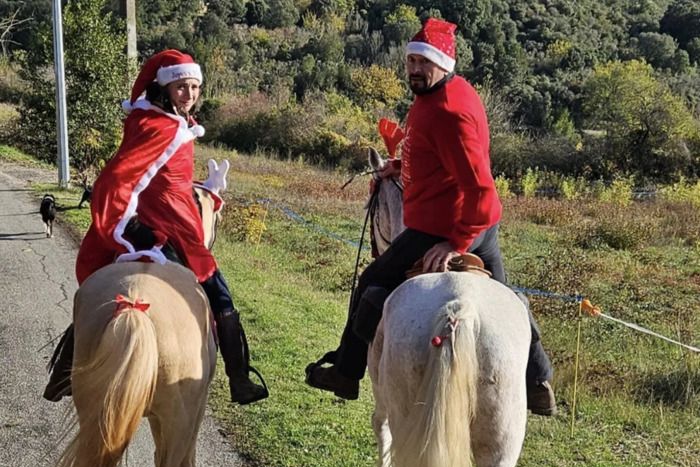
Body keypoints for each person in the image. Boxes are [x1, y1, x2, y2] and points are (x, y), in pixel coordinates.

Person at [305, 18, 556, 416]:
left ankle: (346, 372)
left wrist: (454, 242)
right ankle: (538, 380)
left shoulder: (450, 112)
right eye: (411, 61)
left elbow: (481, 190)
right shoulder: (442, 94)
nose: (415, 69)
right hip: (471, 225)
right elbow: (436, 156)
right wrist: (399, 166)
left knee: (372, 279)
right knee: (506, 298)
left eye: (424, 62)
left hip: (447, 226)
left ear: (444, 62)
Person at [43, 49, 268, 406]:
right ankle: (239, 378)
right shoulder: (164, 128)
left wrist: (207, 190)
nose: (190, 94)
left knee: (105, 285)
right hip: (170, 227)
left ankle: (65, 370)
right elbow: (117, 179)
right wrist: (126, 226)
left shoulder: (161, 121)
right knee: (220, 294)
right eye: (182, 87)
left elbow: (160, 177)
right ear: (164, 88)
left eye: (195, 87)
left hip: (165, 212)